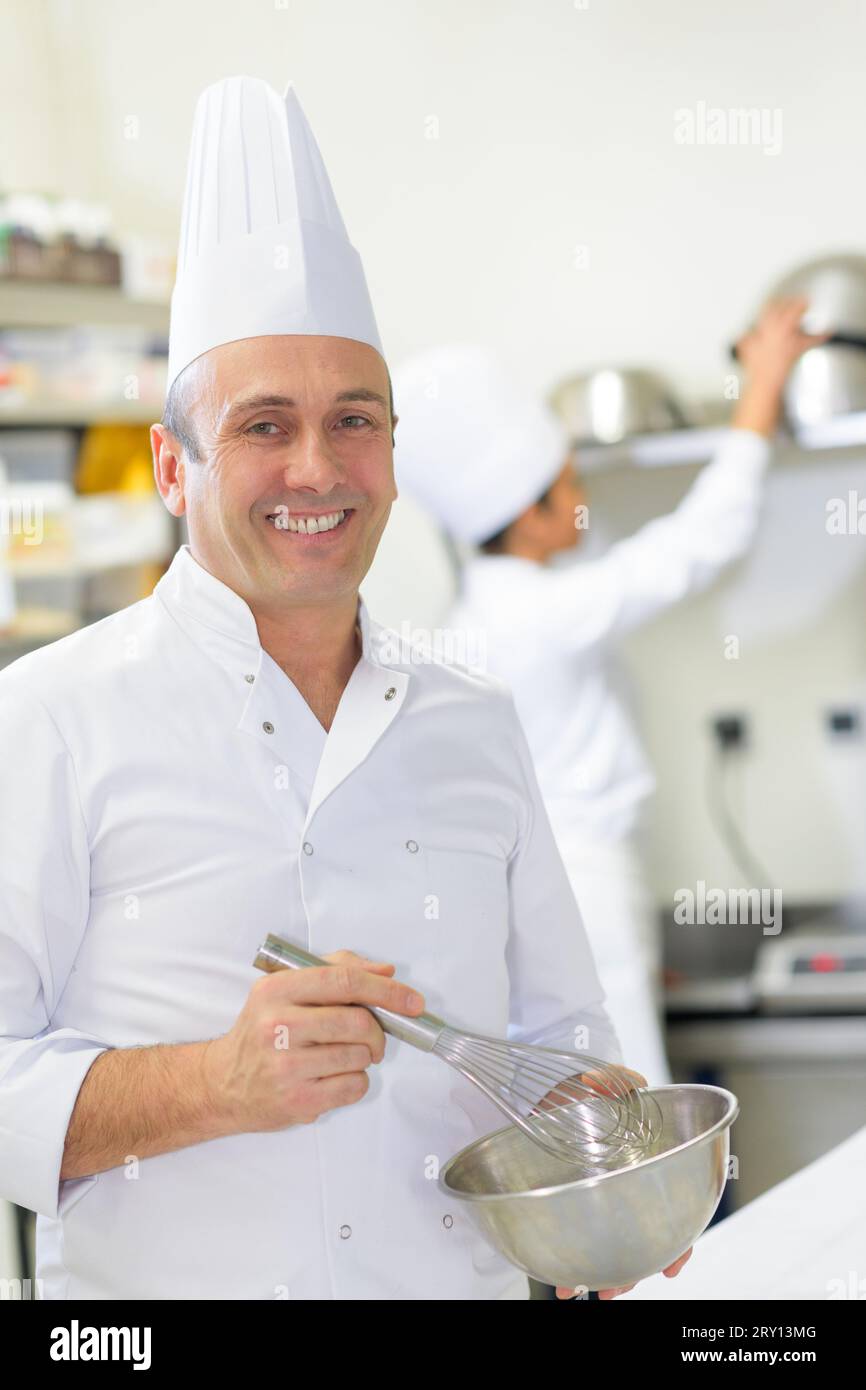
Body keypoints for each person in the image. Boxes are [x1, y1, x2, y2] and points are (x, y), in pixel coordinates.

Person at [0, 75, 687, 1302]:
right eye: (264, 424)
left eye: (353, 419)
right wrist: (216, 1081)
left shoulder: (471, 718)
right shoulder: (49, 717)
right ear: (173, 465)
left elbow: (565, 1038)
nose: (316, 468)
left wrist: (606, 1169)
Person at [392, 301, 826, 1086]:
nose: (583, 492)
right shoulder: (547, 613)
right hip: (585, 892)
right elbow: (705, 539)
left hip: (541, 903)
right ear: (530, 515)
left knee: (593, 1105)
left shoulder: (472, 620)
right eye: (569, 482)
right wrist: (764, 385)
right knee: (635, 1111)